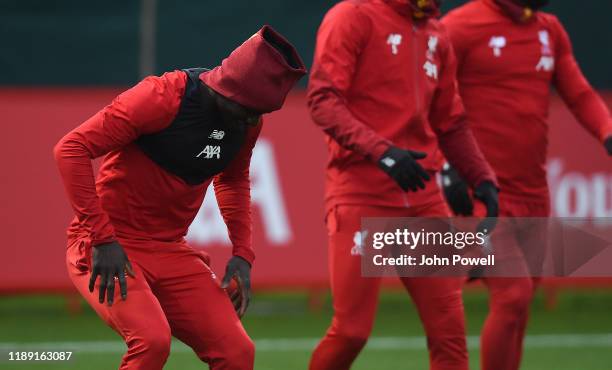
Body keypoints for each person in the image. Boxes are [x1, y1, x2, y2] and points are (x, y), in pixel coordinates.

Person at [53, 25, 306, 370]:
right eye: (249, 110)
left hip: (169, 248)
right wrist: (101, 237)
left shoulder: (247, 122)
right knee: (151, 342)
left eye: (260, 114)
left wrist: (242, 255)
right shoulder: (161, 97)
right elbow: (71, 149)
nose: (252, 120)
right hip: (109, 243)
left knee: (237, 352)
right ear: (229, 90)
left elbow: (233, 181)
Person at [307, 1, 499, 369]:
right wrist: (383, 153)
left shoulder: (435, 31)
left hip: (422, 199)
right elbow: (323, 100)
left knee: (449, 335)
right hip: (361, 193)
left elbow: (451, 121)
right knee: (351, 332)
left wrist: (483, 179)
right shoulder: (353, 15)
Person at [441, 1, 612, 369]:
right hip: (481, 193)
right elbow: (428, 96)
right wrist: (446, 165)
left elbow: (579, 93)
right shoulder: (460, 26)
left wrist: (607, 132)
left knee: (522, 304)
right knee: (512, 296)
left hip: (534, 191)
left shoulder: (549, 30)